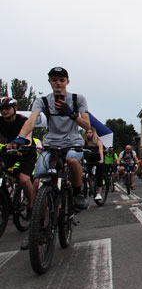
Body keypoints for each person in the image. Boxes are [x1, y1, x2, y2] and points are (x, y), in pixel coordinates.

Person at [10, 67, 91, 250]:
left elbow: (87, 124)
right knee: (38, 182)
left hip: (73, 142)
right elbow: (31, 120)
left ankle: (77, 194)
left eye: (61, 80)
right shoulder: (43, 101)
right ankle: (38, 228)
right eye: (54, 80)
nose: (58, 83)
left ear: (67, 82)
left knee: (72, 161)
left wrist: (71, 113)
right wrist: (21, 136)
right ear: (50, 82)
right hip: (51, 143)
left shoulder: (78, 99)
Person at [0, 97, 37, 224]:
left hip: (27, 151)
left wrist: (22, 144)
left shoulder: (23, 120)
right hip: (11, 151)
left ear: (15, 108)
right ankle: (6, 203)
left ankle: (32, 206)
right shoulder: (1, 122)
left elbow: (28, 137)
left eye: (7, 108)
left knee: (24, 179)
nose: (4, 112)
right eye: (2, 109)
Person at [83, 127, 105, 202]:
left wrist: (102, 159)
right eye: (87, 132)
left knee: (99, 174)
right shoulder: (85, 141)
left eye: (90, 132)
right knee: (86, 171)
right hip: (90, 158)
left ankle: (99, 192)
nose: (88, 134)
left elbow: (100, 151)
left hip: (98, 157)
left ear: (93, 133)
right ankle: (91, 187)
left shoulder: (98, 141)